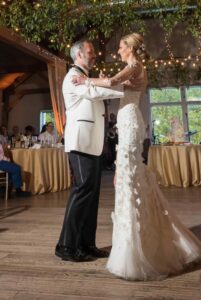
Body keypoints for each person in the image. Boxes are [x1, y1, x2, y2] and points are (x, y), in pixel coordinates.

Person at [73, 33, 201, 280]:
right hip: (127, 121)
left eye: (121, 46)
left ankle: (138, 248)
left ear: (130, 48)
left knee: (131, 177)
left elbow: (113, 81)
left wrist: (86, 80)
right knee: (129, 177)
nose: (118, 50)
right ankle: (135, 240)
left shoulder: (134, 66)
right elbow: (116, 84)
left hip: (131, 120)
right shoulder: (133, 67)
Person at [55, 39, 124, 263]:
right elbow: (95, 93)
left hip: (92, 144)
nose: (94, 54)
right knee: (82, 189)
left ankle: (86, 244)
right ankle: (66, 246)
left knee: (92, 195)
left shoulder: (84, 77)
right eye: (90, 51)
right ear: (78, 55)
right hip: (80, 143)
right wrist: (124, 88)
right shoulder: (72, 77)